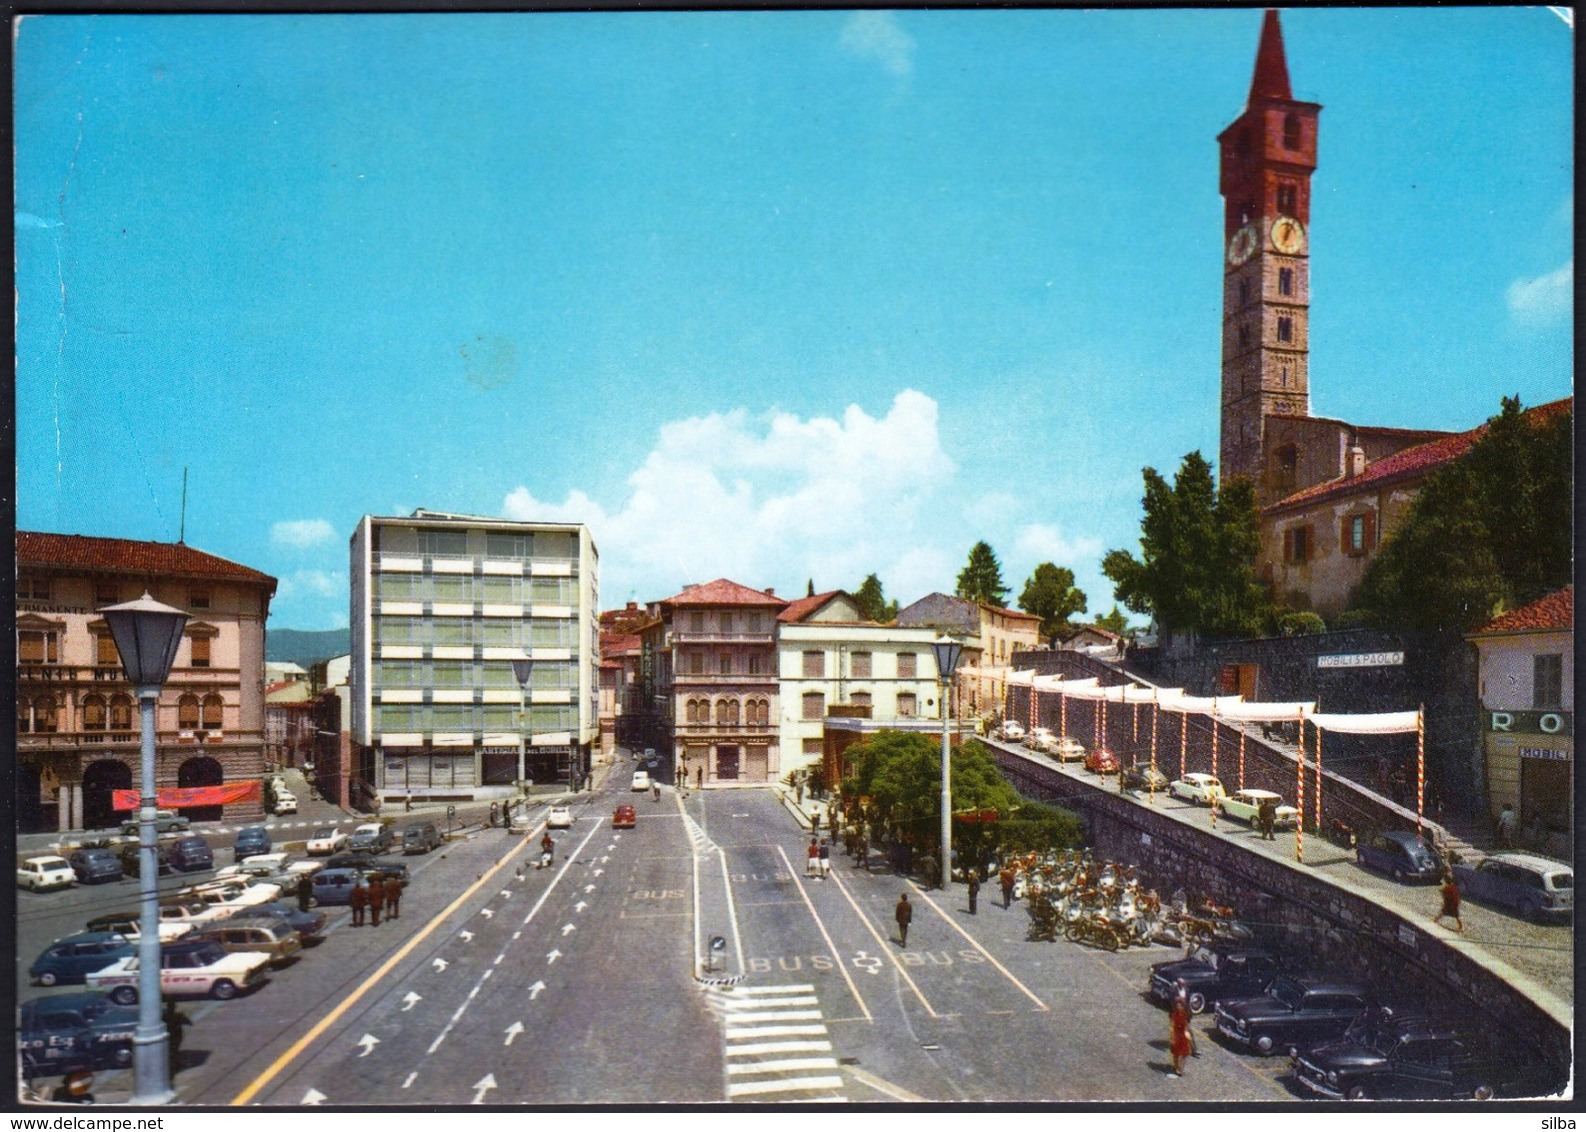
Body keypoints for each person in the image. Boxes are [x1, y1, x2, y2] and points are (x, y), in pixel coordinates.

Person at [1168, 984, 1194, 1077]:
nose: (1179, 1007)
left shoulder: (1185, 1013)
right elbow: (1172, 1026)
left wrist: (1187, 1034)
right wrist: (1172, 1037)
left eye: (1181, 1005)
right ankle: (1177, 1068)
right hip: (1176, 1034)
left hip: (1183, 1034)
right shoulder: (1174, 1015)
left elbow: (1186, 1024)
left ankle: (1181, 1067)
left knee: (1184, 1053)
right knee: (1176, 1053)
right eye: (1178, 1005)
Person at [164, 999, 191, 1071]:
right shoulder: (178, 1015)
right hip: (176, 1035)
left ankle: (173, 1064)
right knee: (174, 1050)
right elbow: (189, 1023)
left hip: (168, 1035)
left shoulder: (164, 1016)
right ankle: (174, 1065)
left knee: (170, 1050)